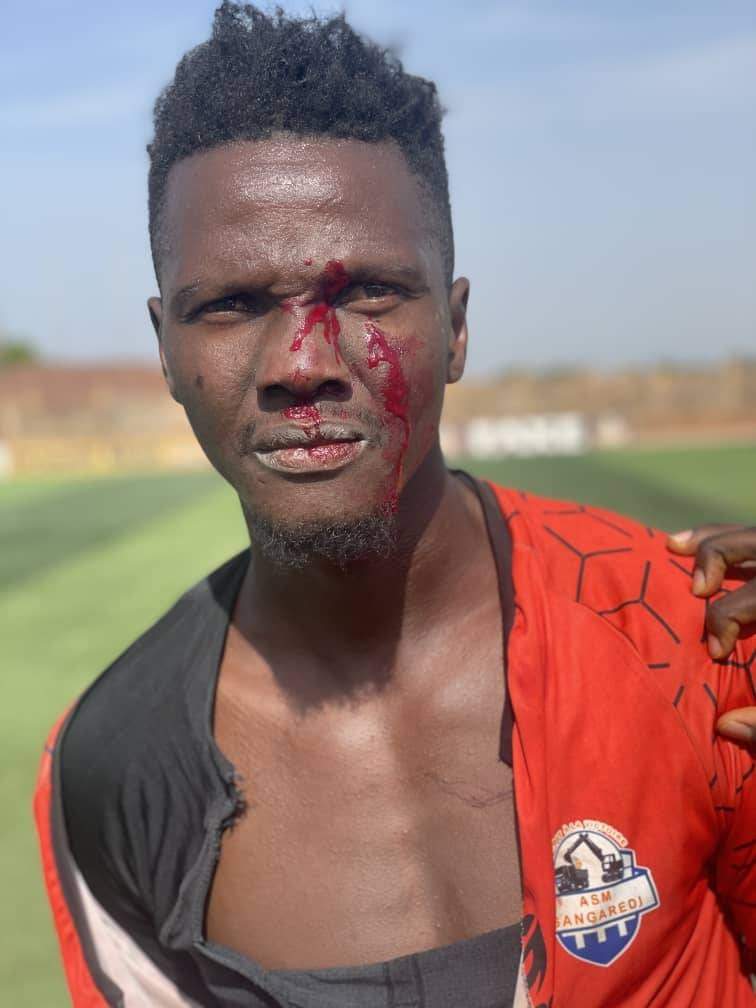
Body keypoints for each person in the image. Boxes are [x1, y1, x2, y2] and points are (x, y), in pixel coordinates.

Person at [33, 5, 756, 1006]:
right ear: (165, 349)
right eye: (232, 305)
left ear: (455, 328)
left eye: (368, 292)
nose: (301, 365)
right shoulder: (113, 766)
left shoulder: (691, 637)